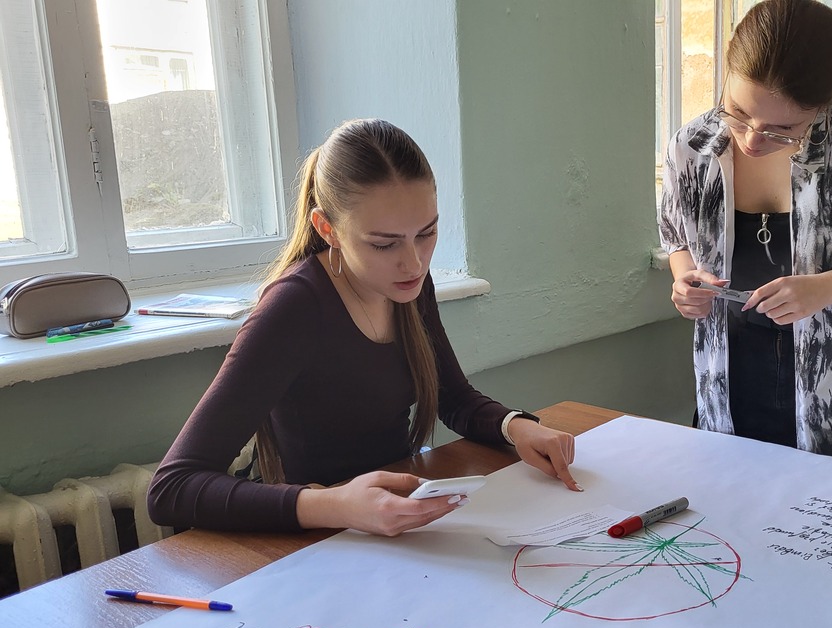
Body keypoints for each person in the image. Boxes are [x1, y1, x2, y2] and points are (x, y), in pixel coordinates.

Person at [149, 119, 579, 535]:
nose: (413, 263)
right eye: (384, 244)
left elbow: (453, 396)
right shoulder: (293, 307)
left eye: (426, 233)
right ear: (328, 229)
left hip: (398, 519)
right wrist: (337, 505)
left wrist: (516, 427)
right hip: (317, 538)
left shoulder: (409, 284)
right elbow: (172, 487)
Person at [657, 0, 832, 468]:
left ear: (825, 102)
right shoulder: (692, 147)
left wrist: (825, 289)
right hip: (729, 403)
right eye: (737, 111)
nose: (752, 140)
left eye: (783, 129)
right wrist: (685, 279)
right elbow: (677, 239)